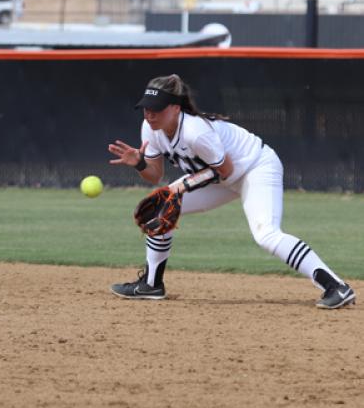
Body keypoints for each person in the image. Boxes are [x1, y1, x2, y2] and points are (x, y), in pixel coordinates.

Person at [108, 74, 355, 310]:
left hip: (255, 167)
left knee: (266, 235)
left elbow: (225, 170)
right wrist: (140, 163)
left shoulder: (195, 132)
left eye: (157, 108)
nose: (150, 114)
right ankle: (151, 285)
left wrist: (182, 186)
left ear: (175, 108)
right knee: (160, 209)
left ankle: (337, 286)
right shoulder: (150, 128)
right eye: (146, 107)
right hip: (221, 176)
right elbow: (155, 175)